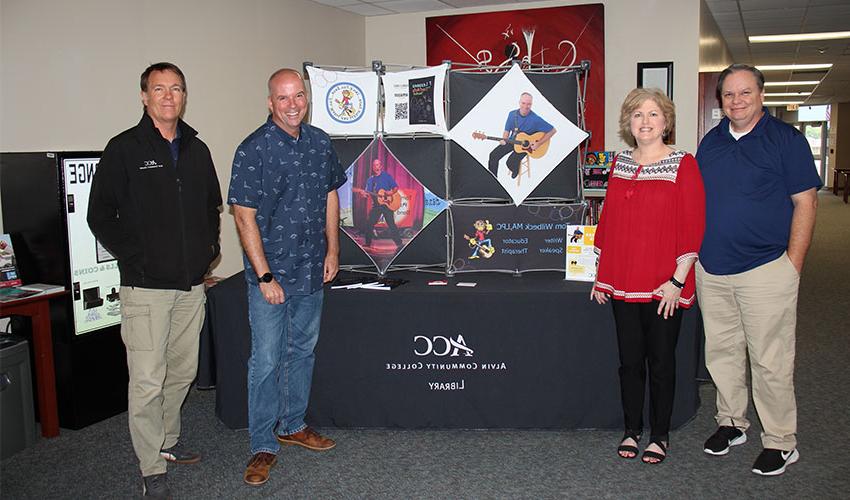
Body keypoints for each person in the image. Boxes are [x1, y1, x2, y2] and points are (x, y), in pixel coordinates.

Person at [88, 62, 222, 498]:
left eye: (176, 89)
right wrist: (138, 258)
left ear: (185, 96)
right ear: (144, 97)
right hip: (145, 288)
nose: (168, 96)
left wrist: (208, 252)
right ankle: (151, 468)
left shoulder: (197, 150)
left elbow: (209, 209)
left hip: (190, 286)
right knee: (147, 379)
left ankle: (166, 442)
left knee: (181, 371)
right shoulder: (124, 148)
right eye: (159, 89)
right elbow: (100, 216)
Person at [696, 64, 820, 476]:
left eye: (745, 93)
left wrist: (792, 266)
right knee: (722, 354)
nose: (736, 101)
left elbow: (805, 202)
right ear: (721, 100)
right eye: (729, 94)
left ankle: (781, 441)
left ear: (761, 95)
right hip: (713, 270)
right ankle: (732, 423)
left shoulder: (786, 141)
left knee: (770, 360)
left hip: (766, 269)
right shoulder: (710, 144)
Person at [228, 68, 346, 487]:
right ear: (270, 102)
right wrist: (264, 276)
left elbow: (332, 193)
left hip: (313, 268)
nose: (292, 104)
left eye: (298, 96)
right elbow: (243, 217)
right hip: (271, 276)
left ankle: (292, 424)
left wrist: (333, 250)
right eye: (283, 98)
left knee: (302, 351)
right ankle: (262, 443)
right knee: (266, 360)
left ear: (306, 98)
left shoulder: (320, 143)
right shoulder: (252, 150)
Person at [591, 88, 705, 465]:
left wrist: (677, 280)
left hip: (664, 284)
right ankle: (631, 429)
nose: (645, 121)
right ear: (629, 123)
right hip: (623, 280)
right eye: (638, 115)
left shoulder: (683, 164)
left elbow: (693, 225)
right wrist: (601, 275)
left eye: (653, 114)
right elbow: (609, 223)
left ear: (666, 122)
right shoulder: (620, 163)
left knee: (661, 362)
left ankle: (659, 435)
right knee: (629, 362)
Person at [488, 92, 557, 178]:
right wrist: (504, 139)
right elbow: (507, 130)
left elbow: (553, 130)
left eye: (528, 104)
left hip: (526, 146)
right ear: (519, 102)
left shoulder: (535, 119)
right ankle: (492, 179)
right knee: (493, 155)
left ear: (531, 105)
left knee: (509, 163)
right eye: (523, 103)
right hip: (512, 140)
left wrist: (539, 143)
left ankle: (515, 169)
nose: (525, 106)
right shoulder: (512, 114)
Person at [358, 158, 403, 249]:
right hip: (376, 206)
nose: (376, 167)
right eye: (374, 165)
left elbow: (395, 188)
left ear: (381, 166)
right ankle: (368, 243)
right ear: (372, 167)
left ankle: (399, 243)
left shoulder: (386, 176)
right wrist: (363, 194)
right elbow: (367, 193)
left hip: (387, 204)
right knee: (369, 223)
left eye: (378, 165)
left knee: (391, 224)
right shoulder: (370, 180)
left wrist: (390, 193)